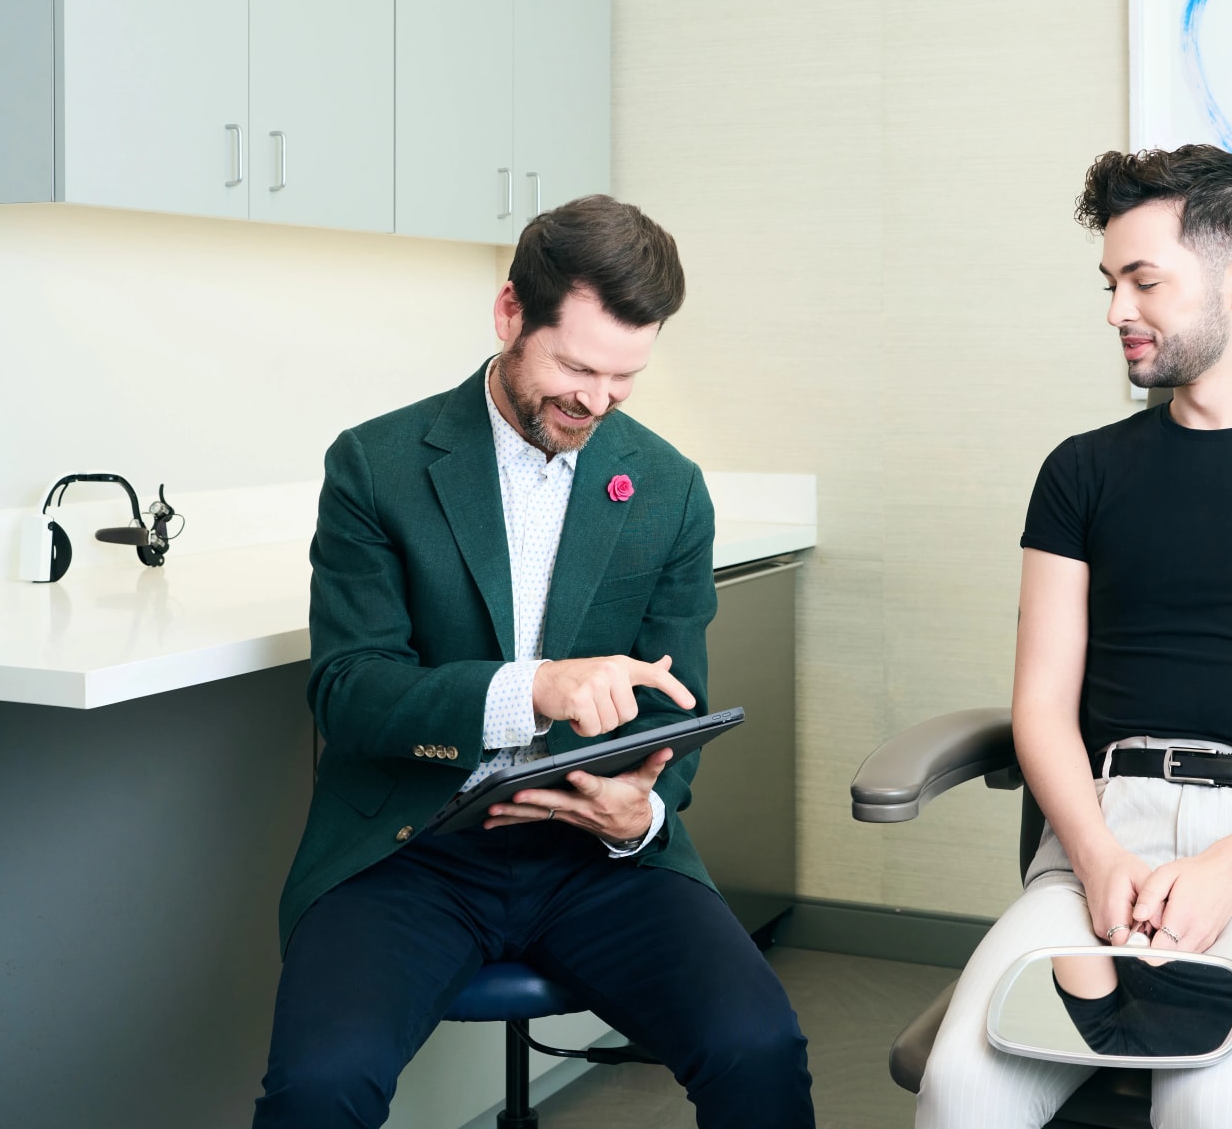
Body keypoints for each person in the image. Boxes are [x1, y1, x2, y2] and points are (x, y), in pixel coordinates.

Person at [254, 194, 814, 1128]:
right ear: (510, 312)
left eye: (625, 378)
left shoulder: (669, 490)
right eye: (577, 367)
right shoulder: (375, 466)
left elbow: (678, 711)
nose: (597, 401)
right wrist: (533, 690)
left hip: (598, 856)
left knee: (759, 1048)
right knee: (321, 1088)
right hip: (412, 850)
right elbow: (348, 694)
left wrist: (639, 813)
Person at [917, 146, 1232, 1127]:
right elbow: (1042, 708)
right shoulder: (1080, 474)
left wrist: (1229, 870)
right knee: (961, 1087)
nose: (1118, 308)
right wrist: (1096, 855)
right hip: (1100, 843)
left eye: (1145, 281)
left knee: (1216, 1101)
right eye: (1109, 283)